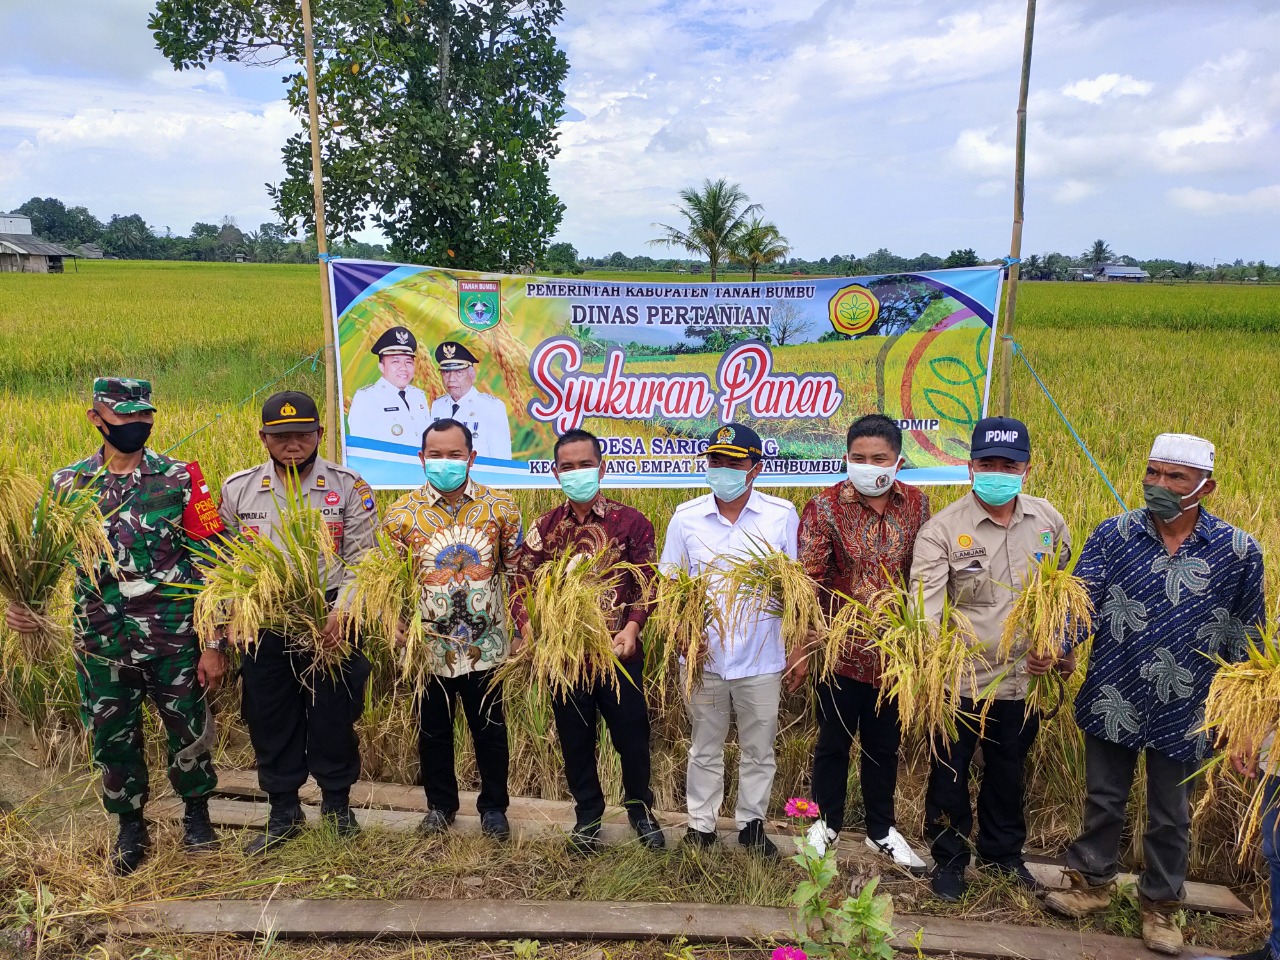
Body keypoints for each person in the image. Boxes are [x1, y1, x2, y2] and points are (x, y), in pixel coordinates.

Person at [1044, 434, 1266, 957]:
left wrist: (1243, 718)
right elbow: (1082, 603)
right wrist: (1054, 644)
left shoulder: (1238, 551)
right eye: (1153, 473)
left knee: (1172, 812)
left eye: (1175, 477)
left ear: (1205, 487)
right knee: (1103, 796)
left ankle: (1161, 906)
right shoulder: (1114, 534)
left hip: (1188, 706)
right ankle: (1092, 884)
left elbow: (1248, 639)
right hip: (1113, 691)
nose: (1159, 485)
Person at [4, 378, 226, 875]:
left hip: (173, 638)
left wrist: (215, 641)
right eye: (124, 417)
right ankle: (130, 825)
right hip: (101, 640)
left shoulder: (180, 479)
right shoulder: (67, 486)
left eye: (143, 416)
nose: (136, 426)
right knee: (113, 737)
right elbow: (37, 563)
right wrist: (24, 608)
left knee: (187, 728)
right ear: (96, 418)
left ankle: (197, 816)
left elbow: (215, 567)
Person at [910, 416, 1074, 901]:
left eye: (1009, 463)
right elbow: (926, 612)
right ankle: (951, 860)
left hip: (1023, 681)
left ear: (1026, 468)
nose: (997, 471)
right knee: (950, 772)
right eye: (987, 463)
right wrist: (929, 674)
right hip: (959, 681)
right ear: (970, 466)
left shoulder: (1049, 522)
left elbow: (1062, 595)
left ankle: (1004, 856)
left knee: (1008, 771)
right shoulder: (942, 531)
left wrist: (1059, 646)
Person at [218, 390, 378, 854]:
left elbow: (363, 560)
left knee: (333, 711)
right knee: (269, 714)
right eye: (282, 436)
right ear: (264, 437)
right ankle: (283, 809)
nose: (294, 444)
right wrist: (232, 619)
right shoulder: (239, 490)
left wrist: (342, 612)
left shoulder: (348, 486)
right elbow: (225, 567)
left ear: (319, 435)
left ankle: (336, 806)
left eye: (303, 435)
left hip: (331, 615)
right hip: (265, 616)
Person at [513, 428, 665, 854]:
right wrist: (529, 631)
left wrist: (632, 627)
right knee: (576, 741)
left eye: (585, 464)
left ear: (603, 466)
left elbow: (647, 583)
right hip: (566, 660)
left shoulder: (631, 522)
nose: (577, 473)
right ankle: (587, 816)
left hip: (618, 653)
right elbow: (519, 585)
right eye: (568, 467)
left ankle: (640, 811)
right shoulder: (546, 527)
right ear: (555, 472)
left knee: (631, 738)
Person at [790, 414, 930, 872]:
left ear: (898, 460)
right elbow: (808, 583)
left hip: (893, 656)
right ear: (846, 458)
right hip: (839, 652)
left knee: (883, 745)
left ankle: (880, 830)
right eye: (859, 457)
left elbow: (924, 577)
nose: (869, 465)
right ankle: (825, 823)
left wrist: (921, 642)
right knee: (832, 741)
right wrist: (805, 646)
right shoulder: (824, 508)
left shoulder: (918, 506)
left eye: (879, 458)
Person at [659, 423, 799, 858]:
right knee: (704, 746)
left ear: (754, 469)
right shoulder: (686, 517)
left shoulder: (781, 516)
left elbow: (796, 591)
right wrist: (683, 636)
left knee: (759, 748)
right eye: (715, 461)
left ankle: (751, 825)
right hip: (705, 659)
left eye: (733, 463)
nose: (721, 470)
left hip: (762, 657)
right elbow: (669, 588)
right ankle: (701, 825)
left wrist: (798, 650)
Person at [381, 418, 523, 840]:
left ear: (471, 457)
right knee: (433, 730)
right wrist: (394, 621)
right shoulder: (401, 515)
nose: (446, 462)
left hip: (488, 641)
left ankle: (494, 809)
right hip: (429, 646)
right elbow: (388, 580)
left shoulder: (502, 507)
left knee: (491, 729)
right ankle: (440, 807)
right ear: (422, 459)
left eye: (455, 455)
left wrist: (522, 627)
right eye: (437, 455)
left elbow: (516, 573)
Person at [346, 325, 432, 446]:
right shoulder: (366, 398)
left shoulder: (418, 396)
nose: (403, 368)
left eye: (408, 362)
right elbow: (362, 446)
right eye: (395, 361)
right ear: (381, 366)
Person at [428, 341, 513, 461]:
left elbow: (502, 460)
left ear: (472, 374)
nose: (451, 379)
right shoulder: (438, 405)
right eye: (446, 372)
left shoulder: (491, 407)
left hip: (478, 478)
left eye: (459, 372)